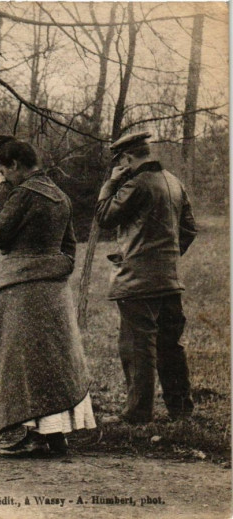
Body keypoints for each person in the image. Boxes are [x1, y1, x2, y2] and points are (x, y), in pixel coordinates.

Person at [0, 135, 96, 458]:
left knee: (23, 362)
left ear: (15, 165)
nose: (2, 177)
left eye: (2, 170)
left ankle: (35, 435)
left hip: (22, 289)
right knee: (52, 360)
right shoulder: (60, 196)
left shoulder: (23, 195)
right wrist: (56, 269)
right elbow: (69, 248)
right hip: (54, 290)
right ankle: (56, 435)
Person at [95, 132, 197, 424]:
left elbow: (104, 216)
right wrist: (166, 256)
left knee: (138, 346)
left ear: (127, 159)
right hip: (169, 279)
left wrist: (111, 182)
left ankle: (138, 413)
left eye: (120, 162)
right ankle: (180, 410)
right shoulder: (174, 182)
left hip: (138, 283)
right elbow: (189, 229)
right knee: (170, 346)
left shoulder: (134, 185)